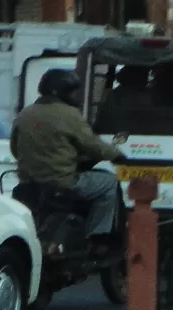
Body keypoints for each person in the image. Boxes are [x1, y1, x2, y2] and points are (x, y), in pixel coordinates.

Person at [10, 68, 125, 246]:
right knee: (109, 182)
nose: (75, 96)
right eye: (72, 91)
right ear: (59, 92)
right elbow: (92, 144)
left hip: (29, 183)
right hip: (63, 183)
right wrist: (117, 155)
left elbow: (15, 150)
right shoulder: (69, 114)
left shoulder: (24, 114)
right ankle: (97, 237)